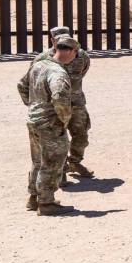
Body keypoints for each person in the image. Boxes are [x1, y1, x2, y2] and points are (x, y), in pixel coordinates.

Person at [18, 35, 79, 215]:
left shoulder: (39, 65)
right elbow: (59, 97)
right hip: (50, 124)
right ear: (71, 51)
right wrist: (64, 119)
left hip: (34, 121)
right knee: (53, 161)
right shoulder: (58, 73)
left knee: (38, 160)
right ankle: (46, 203)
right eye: (76, 53)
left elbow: (21, 85)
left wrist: (34, 106)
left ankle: (33, 198)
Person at [34, 26, 94, 181]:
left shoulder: (81, 56)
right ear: (52, 40)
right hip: (52, 107)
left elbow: (83, 72)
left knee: (81, 136)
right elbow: (31, 83)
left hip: (76, 103)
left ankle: (74, 162)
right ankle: (60, 172)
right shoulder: (42, 59)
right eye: (58, 39)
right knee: (57, 141)